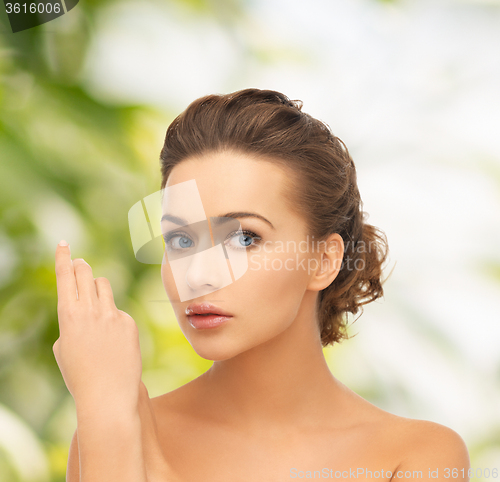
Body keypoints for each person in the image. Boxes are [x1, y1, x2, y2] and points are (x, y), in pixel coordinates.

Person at [54, 89, 470, 482]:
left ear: (324, 260)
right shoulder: (107, 425)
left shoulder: (417, 457)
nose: (198, 275)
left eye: (245, 238)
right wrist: (108, 414)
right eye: (181, 240)